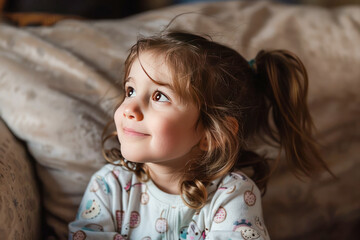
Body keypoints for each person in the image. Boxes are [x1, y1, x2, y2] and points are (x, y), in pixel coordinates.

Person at [68, 30, 332, 240]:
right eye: (130, 91)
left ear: (211, 134)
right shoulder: (108, 186)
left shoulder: (231, 195)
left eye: (159, 96)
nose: (129, 109)